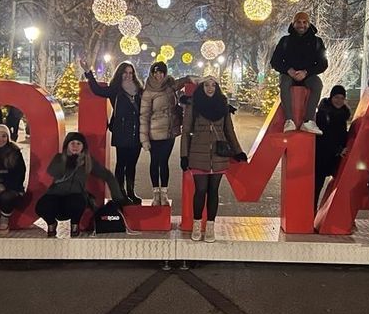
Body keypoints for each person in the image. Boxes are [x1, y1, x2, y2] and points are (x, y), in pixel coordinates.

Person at [180, 76, 247, 242]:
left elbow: (229, 131)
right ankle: (197, 225)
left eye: (213, 85)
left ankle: (210, 227)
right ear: (201, 87)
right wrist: (184, 155)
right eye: (206, 85)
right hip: (197, 154)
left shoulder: (223, 105)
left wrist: (238, 151)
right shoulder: (193, 105)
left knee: (213, 191)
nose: (210, 88)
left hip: (218, 155)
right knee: (201, 190)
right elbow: (186, 131)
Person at [36, 132, 127, 237]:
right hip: (56, 194)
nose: (75, 146)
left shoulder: (87, 161)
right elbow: (52, 171)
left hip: (76, 195)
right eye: (72, 143)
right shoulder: (59, 158)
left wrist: (117, 198)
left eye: (78, 143)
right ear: (67, 145)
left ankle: (75, 224)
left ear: (83, 147)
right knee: (42, 206)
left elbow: (108, 176)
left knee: (77, 201)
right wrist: (67, 160)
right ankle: (51, 223)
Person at [81, 59, 143, 204]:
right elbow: (97, 90)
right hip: (121, 132)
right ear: (120, 74)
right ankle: (120, 194)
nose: (128, 75)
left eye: (131, 73)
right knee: (121, 163)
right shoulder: (115, 89)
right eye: (125, 73)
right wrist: (88, 73)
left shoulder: (139, 90)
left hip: (137, 133)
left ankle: (131, 192)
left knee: (132, 164)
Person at [140, 61, 193, 206]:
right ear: (152, 73)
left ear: (165, 73)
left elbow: (183, 81)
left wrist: (196, 78)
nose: (158, 75)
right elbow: (143, 115)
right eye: (156, 72)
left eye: (161, 72)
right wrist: (144, 138)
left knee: (164, 161)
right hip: (154, 132)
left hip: (169, 132)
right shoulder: (148, 91)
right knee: (155, 161)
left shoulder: (170, 86)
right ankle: (155, 194)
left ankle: (164, 193)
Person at [270, 11, 327, 134]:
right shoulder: (285, 41)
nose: (302, 25)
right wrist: (288, 70)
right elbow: (275, 61)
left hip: (308, 75)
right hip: (288, 75)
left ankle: (308, 121)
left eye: (305, 22)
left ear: (309, 24)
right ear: (293, 24)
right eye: (299, 22)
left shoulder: (317, 42)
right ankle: (289, 120)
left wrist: (306, 72)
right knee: (284, 83)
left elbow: (323, 64)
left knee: (317, 84)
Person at [314, 85, 350, 211]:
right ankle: (310, 216)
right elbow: (322, 137)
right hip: (321, 158)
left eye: (342, 98)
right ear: (331, 97)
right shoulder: (322, 114)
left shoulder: (343, 115)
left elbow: (341, 135)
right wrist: (338, 150)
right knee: (316, 188)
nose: (339, 100)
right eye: (336, 97)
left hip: (335, 158)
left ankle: (332, 214)